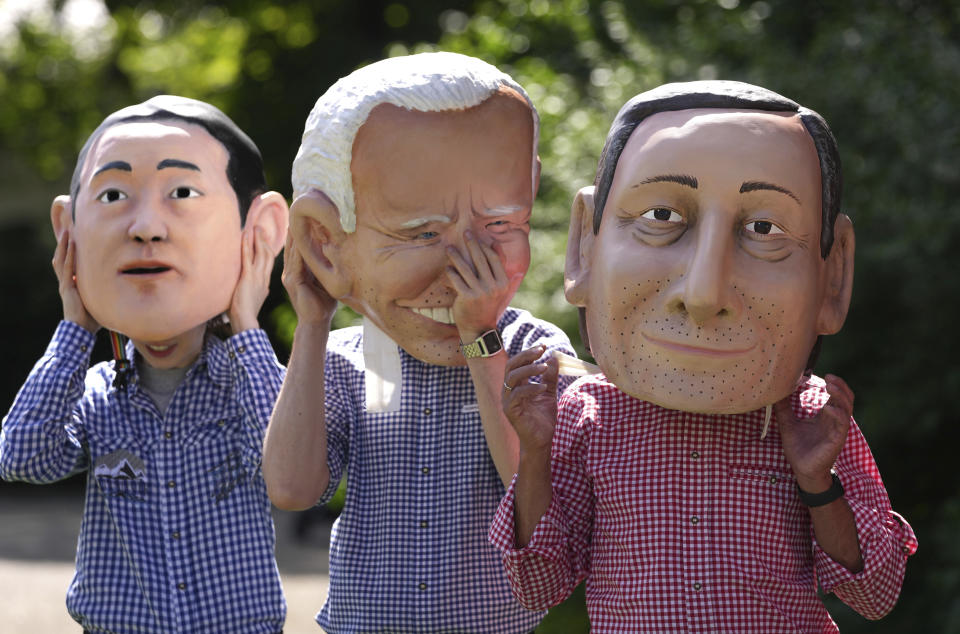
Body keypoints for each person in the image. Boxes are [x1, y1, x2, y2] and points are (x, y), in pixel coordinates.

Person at [490, 80, 917, 632]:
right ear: (584, 248)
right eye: (662, 216)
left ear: (832, 279)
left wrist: (819, 480)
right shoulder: (583, 417)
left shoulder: (812, 420)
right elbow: (537, 586)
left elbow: (876, 595)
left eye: (764, 230)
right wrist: (536, 454)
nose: (704, 293)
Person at [262, 52, 576, 633]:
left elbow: (540, 503)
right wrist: (311, 323)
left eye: (500, 226)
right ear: (326, 243)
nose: (461, 270)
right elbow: (292, 488)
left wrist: (482, 338)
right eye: (422, 233)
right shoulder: (359, 361)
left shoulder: (534, 350)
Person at [0, 95, 289, 633]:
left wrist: (248, 322)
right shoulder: (96, 395)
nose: (146, 228)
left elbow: (290, 475)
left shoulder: (249, 385)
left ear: (261, 230)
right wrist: (76, 326)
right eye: (112, 196)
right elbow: (22, 457)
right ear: (70, 231)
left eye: (182, 192)